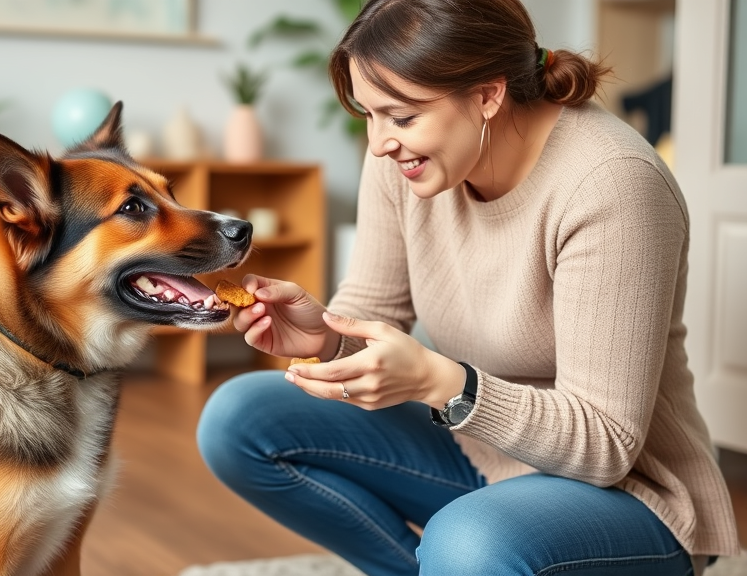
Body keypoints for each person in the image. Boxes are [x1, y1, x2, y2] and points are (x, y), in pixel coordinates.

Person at [195, 0, 740, 574]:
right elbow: (374, 308)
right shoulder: (405, 161)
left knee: (467, 543)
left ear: (487, 94)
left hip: (630, 494)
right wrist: (328, 339)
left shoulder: (613, 185)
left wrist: (442, 382)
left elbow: (604, 446)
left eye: (401, 117)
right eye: (368, 114)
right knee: (239, 418)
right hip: (478, 453)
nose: (379, 143)